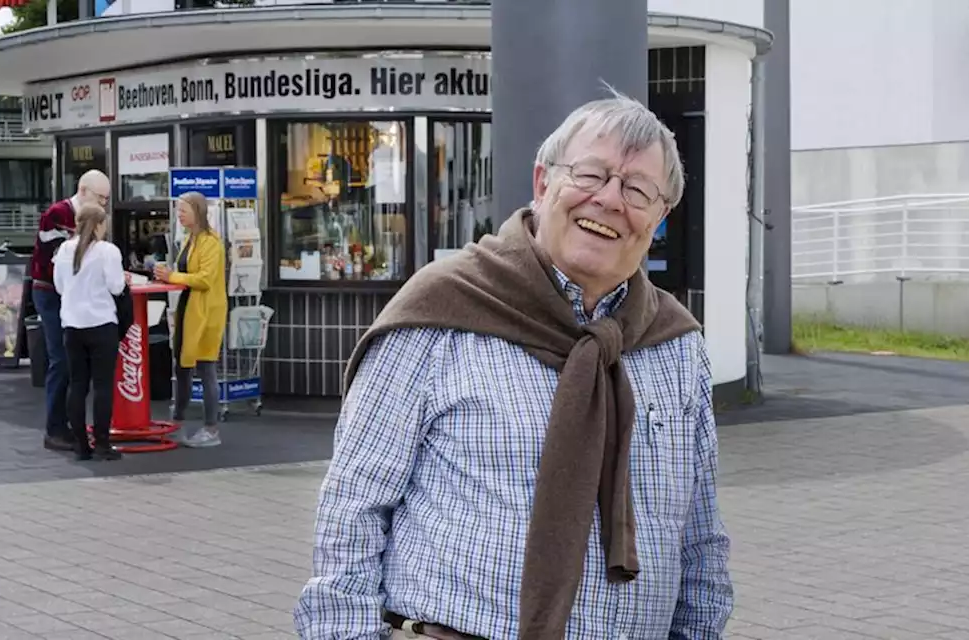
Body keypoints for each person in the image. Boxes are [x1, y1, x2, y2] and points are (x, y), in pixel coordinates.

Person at [294, 90, 733, 639]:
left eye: (637, 189)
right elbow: (352, 510)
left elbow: (699, 536)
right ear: (543, 183)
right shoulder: (441, 312)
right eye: (591, 174)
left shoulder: (675, 344)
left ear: (660, 217)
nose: (610, 201)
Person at [31, 169, 111, 452]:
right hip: (50, 294)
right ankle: (55, 428)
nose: (103, 204)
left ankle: (67, 425)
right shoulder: (57, 214)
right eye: (100, 197)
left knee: (73, 363)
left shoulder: (88, 220)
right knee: (61, 361)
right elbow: (56, 260)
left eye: (106, 199)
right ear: (84, 190)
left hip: (69, 296)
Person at [51, 204, 128, 462]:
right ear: (98, 225)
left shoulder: (63, 250)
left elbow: (60, 287)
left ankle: (81, 445)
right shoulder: (108, 251)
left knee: (77, 384)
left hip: (72, 325)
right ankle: (103, 444)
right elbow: (117, 287)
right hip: (101, 324)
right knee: (103, 386)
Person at [153, 191, 226, 448]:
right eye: (179, 210)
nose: (179, 215)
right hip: (189, 309)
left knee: (205, 368)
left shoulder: (210, 243)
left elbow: (205, 279)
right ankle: (178, 423)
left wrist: (171, 276)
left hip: (206, 313)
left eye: (184, 210)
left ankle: (211, 429)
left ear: (198, 212)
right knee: (182, 367)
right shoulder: (190, 239)